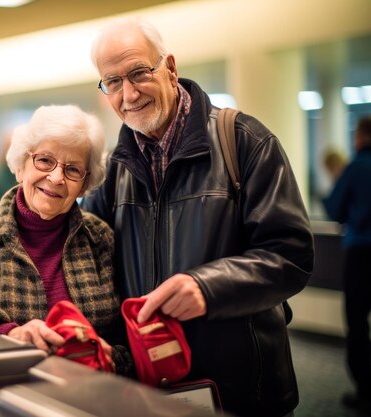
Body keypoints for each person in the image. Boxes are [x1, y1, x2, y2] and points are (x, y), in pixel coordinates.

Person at [81, 18, 314, 417]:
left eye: (139, 72)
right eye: (113, 82)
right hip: (151, 387)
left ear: (170, 68)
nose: (129, 94)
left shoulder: (244, 141)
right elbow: (89, 264)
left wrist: (207, 288)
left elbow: (290, 256)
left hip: (242, 391)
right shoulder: (113, 171)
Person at [0, 104, 132, 374]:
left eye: (73, 169)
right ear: (20, 166)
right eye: (44, 160)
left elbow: (130, 342)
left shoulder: (101, 239)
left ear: (85, 184)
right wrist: (8, 334)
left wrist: (108, 358)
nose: (55, 178)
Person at [323, 114, 371, 415]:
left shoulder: (355, 168)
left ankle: (366, 392)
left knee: (357, 324)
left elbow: (334, 209)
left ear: (360, 137)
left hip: (362, 255)